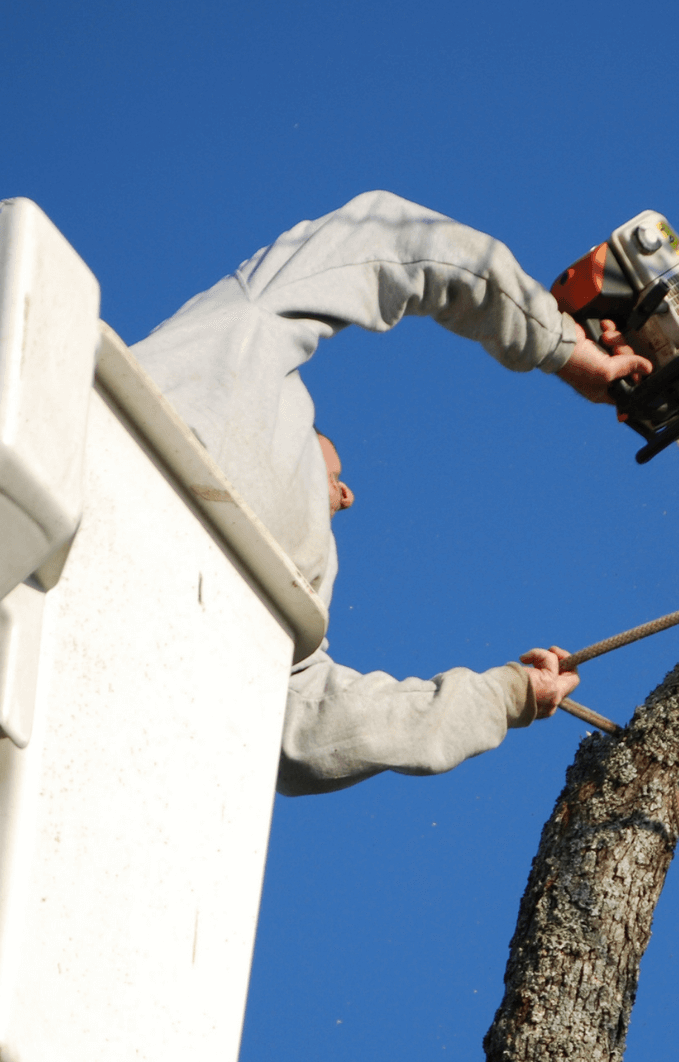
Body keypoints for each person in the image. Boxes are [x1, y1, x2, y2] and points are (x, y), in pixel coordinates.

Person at [132, 191, 648, 796]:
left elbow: (314, 735)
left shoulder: (293, 625)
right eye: (334, 465)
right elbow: (391, 239)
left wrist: (504, 695)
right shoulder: (237, 345)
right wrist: (563, 347)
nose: (347, 495)